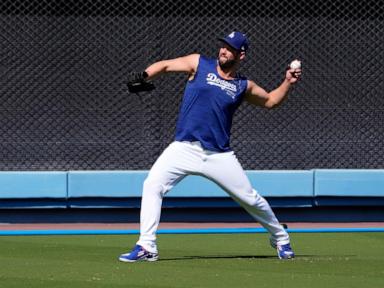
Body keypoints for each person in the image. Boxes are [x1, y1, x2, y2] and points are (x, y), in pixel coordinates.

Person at [119, 31, 302, 262]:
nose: (224, 50)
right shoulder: (199, 63)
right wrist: (145, 75)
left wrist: (288, 82)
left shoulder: (242, 85)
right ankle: (147, 246)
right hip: (183, 147)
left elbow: (271, 101)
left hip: (218, 154)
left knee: (250, 198)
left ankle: (280, 237)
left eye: (230, 48)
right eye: (223, 46)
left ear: (241, 55)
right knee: (152, 184)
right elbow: (165, 65)